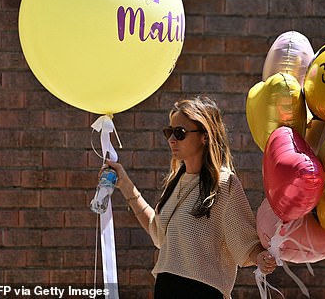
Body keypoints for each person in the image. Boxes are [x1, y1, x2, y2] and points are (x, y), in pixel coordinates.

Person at [106, 95, 277, 299]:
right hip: (165, 289)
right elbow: (157, 232)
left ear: (204, 136)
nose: (171, 139)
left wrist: (261, 258)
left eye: (179, 133)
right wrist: (125, 184)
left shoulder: (224, 183)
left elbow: (244, 243)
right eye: (169, 132)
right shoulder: (176, 181)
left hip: (201, 292)